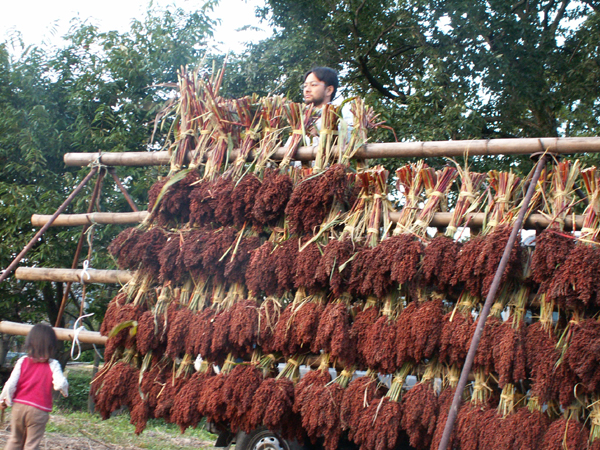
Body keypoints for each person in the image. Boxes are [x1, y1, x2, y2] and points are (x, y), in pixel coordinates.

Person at [0, 323, 69, 450]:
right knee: (32, 444)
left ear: (30, 344)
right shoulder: (53, 364)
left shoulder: (22, 361)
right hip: (39, 410)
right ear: (52, 347)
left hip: (18, 407)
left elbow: (10, 384)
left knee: (15, 439)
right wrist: (64, 390)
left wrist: (3, 400)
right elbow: (60, 383)